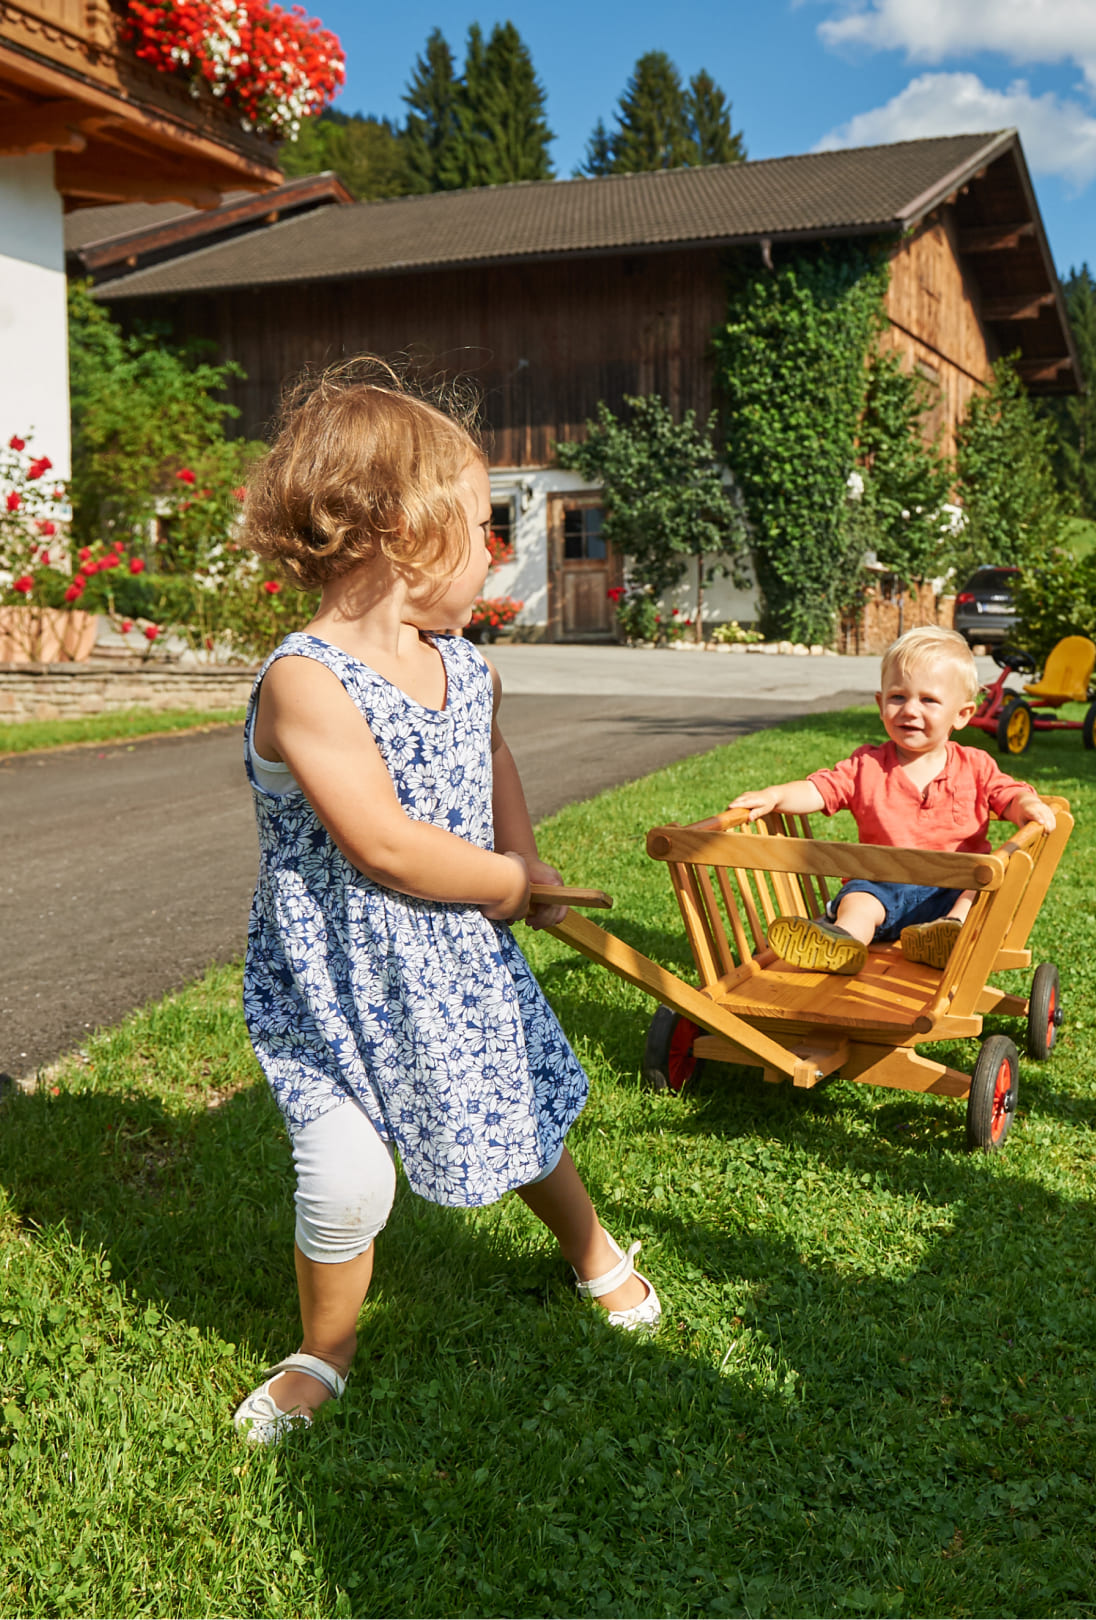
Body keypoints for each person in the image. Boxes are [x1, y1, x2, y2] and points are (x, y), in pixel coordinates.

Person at [231, 365, 657, 1446]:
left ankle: (593, 1251)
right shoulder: (306, 680)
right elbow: (382, 845)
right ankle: (324, 1352)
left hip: (452, 967)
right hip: (336, 977)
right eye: (481, 524)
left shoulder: (465, 668)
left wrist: (526, 857)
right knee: (342, 1175)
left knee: (515, 1120)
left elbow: (489, 753)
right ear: (397, 529)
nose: (496, 548)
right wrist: (508, 887)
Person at [728, 626, 1056, 974]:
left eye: (928, 700)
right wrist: (776, 795)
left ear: (961, 714)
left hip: (951, 889)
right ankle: (842, 940)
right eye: (898, 697)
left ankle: (950, 936)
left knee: (978, 891)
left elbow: (1007, 794)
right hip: (881, 885)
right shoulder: (866, 766)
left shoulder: (975, 766)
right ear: (880, 703)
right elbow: (820, 788)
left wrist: (1027, 804)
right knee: (858, 900)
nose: (910, 710)